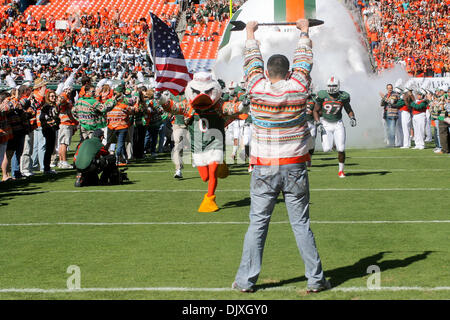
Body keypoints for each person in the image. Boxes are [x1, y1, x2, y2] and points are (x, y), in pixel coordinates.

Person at [232, 19, 329, 293]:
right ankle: (315, 279)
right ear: (288, 72)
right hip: (295, 165)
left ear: (266, 71)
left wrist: (250, 32)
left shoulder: (256, 88)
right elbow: (304, 61)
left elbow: (251, 60)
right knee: (301, 224)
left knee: (257, 225)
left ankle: (245, 281)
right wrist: (303, 31)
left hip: (264, 166)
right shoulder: (298, 88)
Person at [313, 76, 357, 178]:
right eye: (329, 85)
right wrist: (318, 122)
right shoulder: (322, 95)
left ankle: (341, 171)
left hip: (338, 124)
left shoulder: (343, 96)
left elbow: (348, 109)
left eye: (333, 86)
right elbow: (315, 110)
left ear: (338, 86)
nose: (331, 88)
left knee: (341, 148)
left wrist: (352, 117)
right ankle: (332, 142)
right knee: (326, 149)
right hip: (325, 123)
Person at [39, 90, 60, 174]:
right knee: (48, 148)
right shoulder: (46, 106)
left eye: (54, 96)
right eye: (52, 96)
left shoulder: (53, 106)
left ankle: (47, 167)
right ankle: (46, 168)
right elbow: (44, 117)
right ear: (48, 97)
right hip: (48, 128)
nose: (54, 98)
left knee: (51, 148)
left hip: (52, 128)